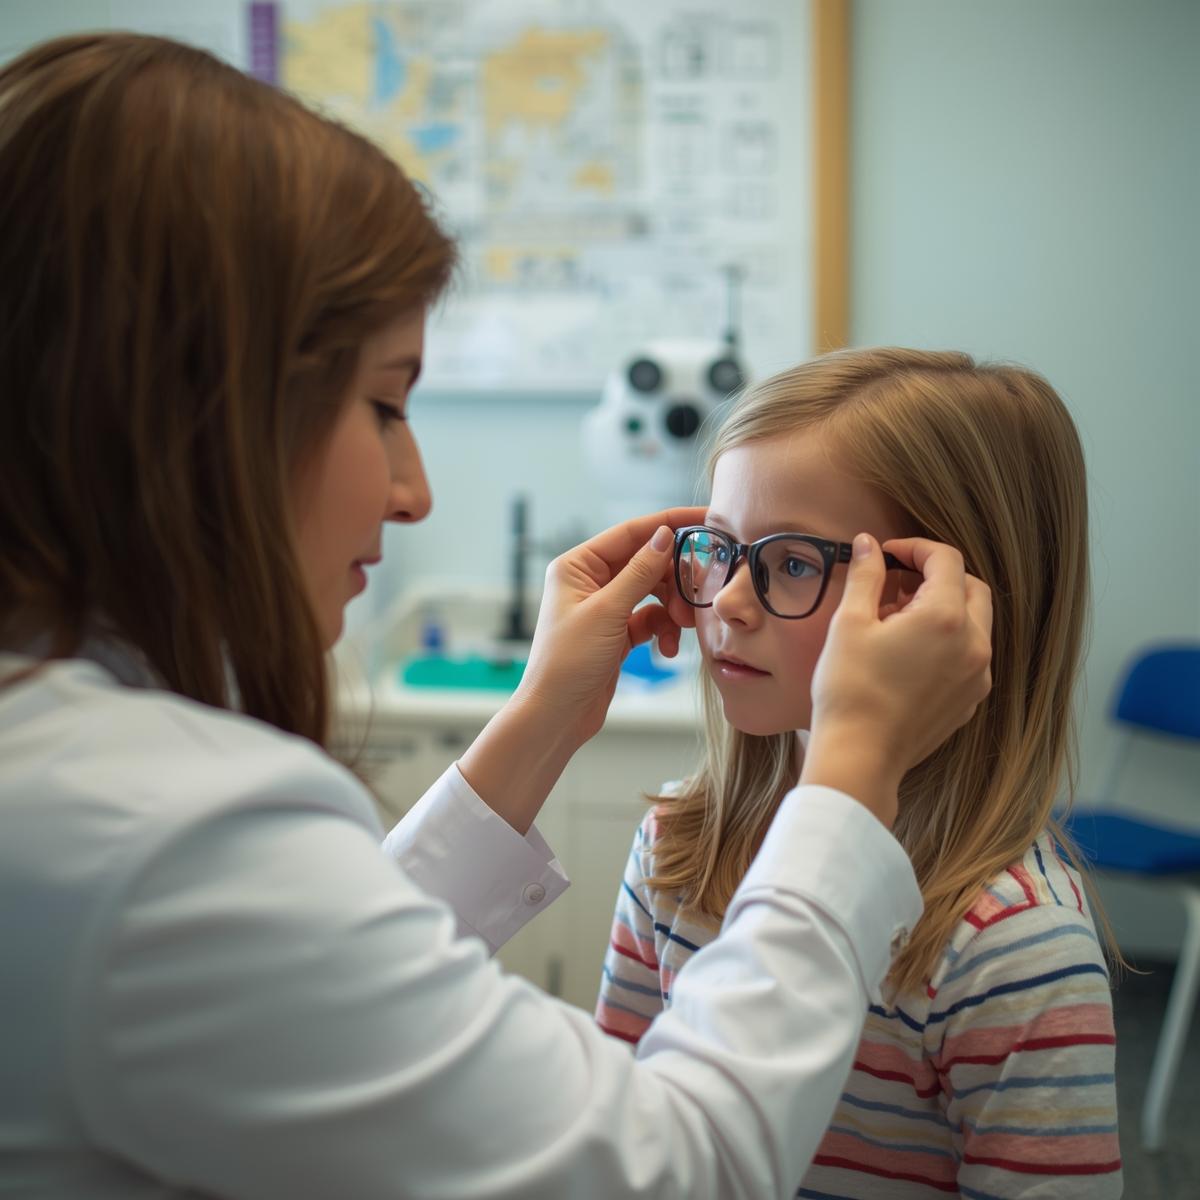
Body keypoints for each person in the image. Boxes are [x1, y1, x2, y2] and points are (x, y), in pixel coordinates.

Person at [0, 34, 993, 1200]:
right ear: (192, 416)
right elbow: (684, 1170)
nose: (412, 490)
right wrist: (851, 777)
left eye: (779, 563)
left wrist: (542, 720)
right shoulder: (153, 836)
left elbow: (301, 999)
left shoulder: (86, 786)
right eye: (382, 405)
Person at [595, 348, 1124, 1197]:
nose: (726, 600)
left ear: (940, 608)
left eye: (793, 563)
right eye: (719, 549)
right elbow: (615, 1150)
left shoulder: (1013, 948)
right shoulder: (678, 848)